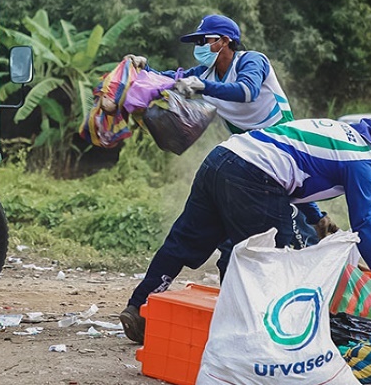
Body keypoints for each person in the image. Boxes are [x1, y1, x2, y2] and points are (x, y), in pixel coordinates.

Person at [119, 116, 371, 344]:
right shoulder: (359, 160)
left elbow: (298, 164)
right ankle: (247, 336)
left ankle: (138, 308)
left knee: (185, 240)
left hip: (222, 158)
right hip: (255, 175)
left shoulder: (339, 131)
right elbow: (364, 223)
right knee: (268, 260)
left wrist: (317, 218)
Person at [125, 14, 335, 271]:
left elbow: (247, 91)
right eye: (197, 41)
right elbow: (170, 79)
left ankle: (319, 231)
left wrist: (203, 86)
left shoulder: (251, 60)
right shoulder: (206, 72)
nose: (199, 46)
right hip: (249, 150)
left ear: (225, 41)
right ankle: (320, 221)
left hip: (280, 141)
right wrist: (144, 70)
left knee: (293, 201)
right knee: (276, 205)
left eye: (205, 40)